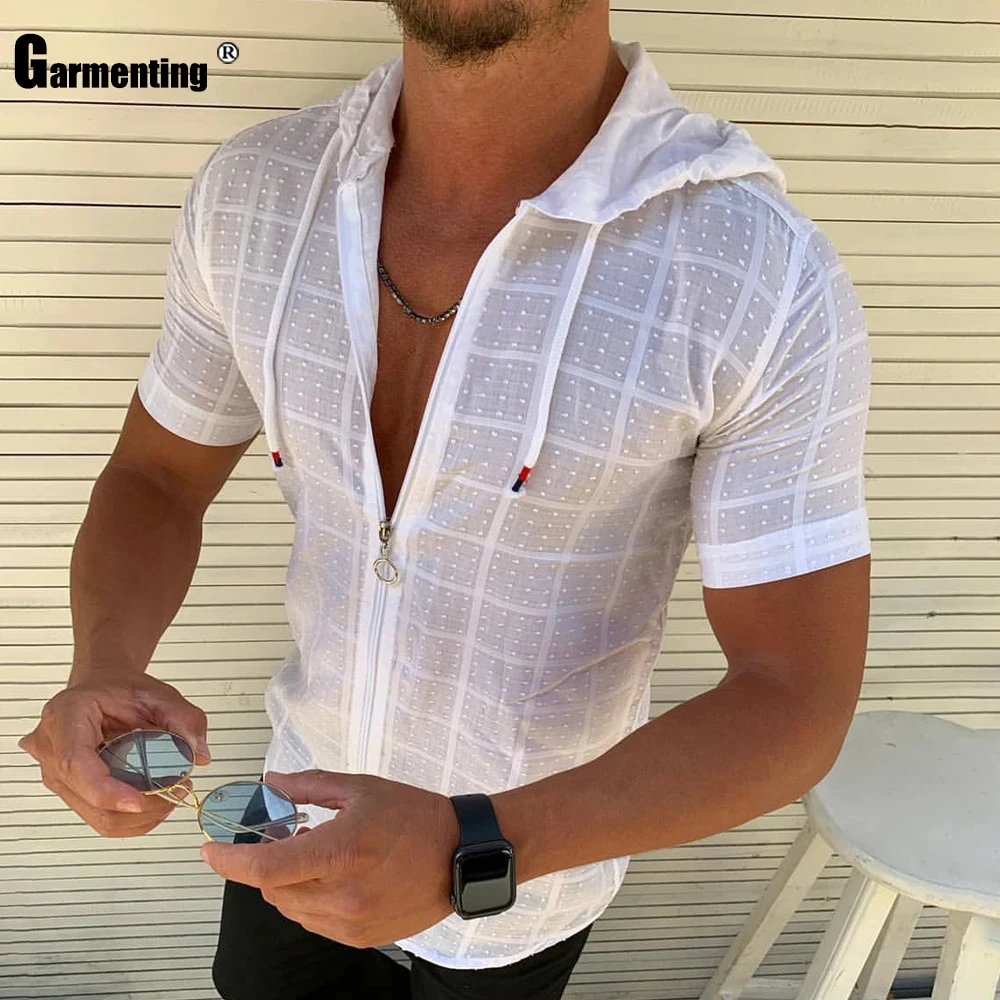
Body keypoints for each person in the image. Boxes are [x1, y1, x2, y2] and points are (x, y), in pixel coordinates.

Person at [18, 0, 874, 995]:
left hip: (522, 877)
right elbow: (156, 476)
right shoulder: (254, 196)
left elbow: (795, 695)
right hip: (285, 812)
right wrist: (104, 661)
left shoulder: (755, 271)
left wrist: (477, 842)